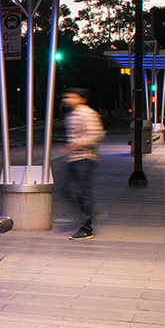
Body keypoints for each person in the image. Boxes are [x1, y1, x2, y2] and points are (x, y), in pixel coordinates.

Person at [61, 87, 103, 240]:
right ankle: (89, 211)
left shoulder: (88, 114)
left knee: (84, 193)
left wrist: (76, 145)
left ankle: (86, 229)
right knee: (64, 188)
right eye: (66, 97)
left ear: (82, 99)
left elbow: (96, 136)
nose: (66, 100)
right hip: (72, 159)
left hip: (85, 159)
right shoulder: (71, 115)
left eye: (71, 97)